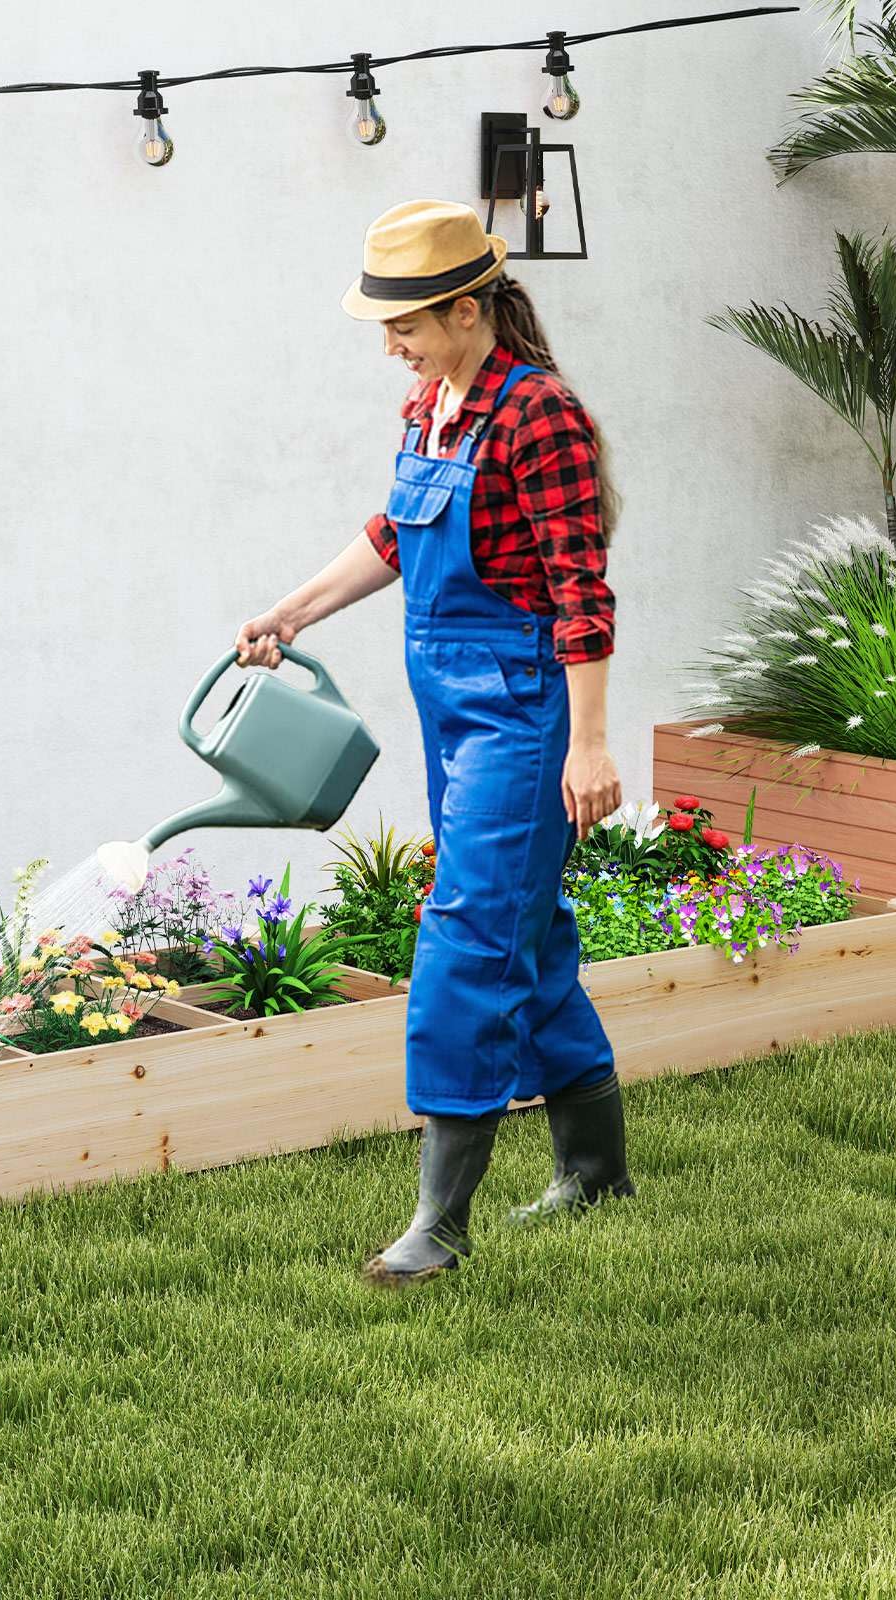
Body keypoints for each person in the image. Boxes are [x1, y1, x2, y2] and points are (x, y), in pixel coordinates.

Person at [234, 198, 635, 1286]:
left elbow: (578, 590)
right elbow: (393, 535)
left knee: (463, 934)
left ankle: (438, 1223)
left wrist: (586, 746)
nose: (389, 344)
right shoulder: (432, 407)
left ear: (466, 309)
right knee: (529, 931)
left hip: (519, 708)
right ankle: (595, 1171)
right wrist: (292, 611)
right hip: (452, 715)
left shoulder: (535, 413)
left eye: (403, 322)